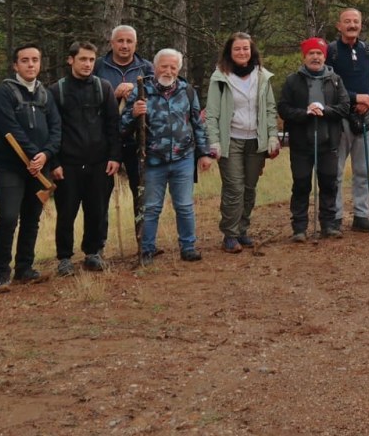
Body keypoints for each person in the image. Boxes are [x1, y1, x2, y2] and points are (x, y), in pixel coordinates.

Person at [125, 48, 214, 265]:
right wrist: (133, 114)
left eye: (173, 67)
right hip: (152, 160)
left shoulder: (187, 91)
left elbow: (198, 125)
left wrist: (204, 153)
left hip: (183, 158)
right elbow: (122, 126)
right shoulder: (141, 91)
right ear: (154, 67)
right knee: (152, 207)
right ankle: (147, 249)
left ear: (178, 69)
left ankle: (188, 246)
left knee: (184, 205)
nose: (168, 70)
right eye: (164, 66)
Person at [0, 44, 61, 290]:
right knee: (8, 218)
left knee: (32, 218)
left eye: (35, 60)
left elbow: (56, 128)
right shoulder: (3, 92)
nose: (31, 64)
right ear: (15, 65)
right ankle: (1, 273)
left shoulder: (45, 94)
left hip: (40, 168)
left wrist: (45, 155)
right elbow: (8, 127)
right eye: (25, 60)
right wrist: (32, 154)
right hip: (12, 166)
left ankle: (25, 268)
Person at [49, 41, 121, 274]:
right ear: (71, 60)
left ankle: (93, 253)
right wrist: (54, 162)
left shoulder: (104, 88)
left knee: (97, 210)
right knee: (66, 212)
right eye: (83, 59)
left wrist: (114, 157)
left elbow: (113, 125)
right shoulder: (56, 90)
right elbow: (51, 130)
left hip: (100, 163)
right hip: (68, 165)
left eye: (91, 60)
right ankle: (64, 259)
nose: (88, 64)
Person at [206, 32, 279, 254]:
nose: (242, 52)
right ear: (230, 52)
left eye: (245, 48)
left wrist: (273, 135)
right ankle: (229, 234)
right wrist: (214, 141)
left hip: (256, 142)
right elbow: (212, 113)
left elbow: (269, 108)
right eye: (237, 49)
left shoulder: (262, 76)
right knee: (234, 189)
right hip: (231, 141)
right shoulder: (220, 77)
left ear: (252, 50)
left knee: (249, 188)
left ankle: (242, 230)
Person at [277, 38, 353, 241]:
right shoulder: (293, 80)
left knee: (329, 184)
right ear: (304, 56)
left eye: (319, 54)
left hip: (328, 143)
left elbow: (345, 107)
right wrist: (305, 113)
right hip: (301, 144)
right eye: (311, 53)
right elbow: (283, 108)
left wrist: (325, 111)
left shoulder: (335, 80)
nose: (315, 57)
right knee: (301, 184)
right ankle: (299, 228)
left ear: (324, 56)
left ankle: (328, 225)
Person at [94, 25, 155, 253]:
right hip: (106, 141)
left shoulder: (147, 68)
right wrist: (111, 93)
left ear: (135, 44)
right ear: (112, 43)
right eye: (120, 41)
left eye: (129, 41)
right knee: (101, 195)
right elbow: (88, 98)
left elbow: (158, 95)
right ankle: (97, 248)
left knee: (141, 191)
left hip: (138, 141)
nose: (124, 45)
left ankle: (144, 243)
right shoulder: (99, 66)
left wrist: (140, 89)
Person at [327, 8, 369, 233]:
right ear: (338, 25)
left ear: (361, 25)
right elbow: (329, 82)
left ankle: (362, 215)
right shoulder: (330, 51)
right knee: (336, 170)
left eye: (356, 21)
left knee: (363, 170)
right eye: (347, 21)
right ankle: (335, 216)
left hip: (365, 118)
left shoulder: (367, 50)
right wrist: (354, 98)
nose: (352, 25)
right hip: (339, 119)